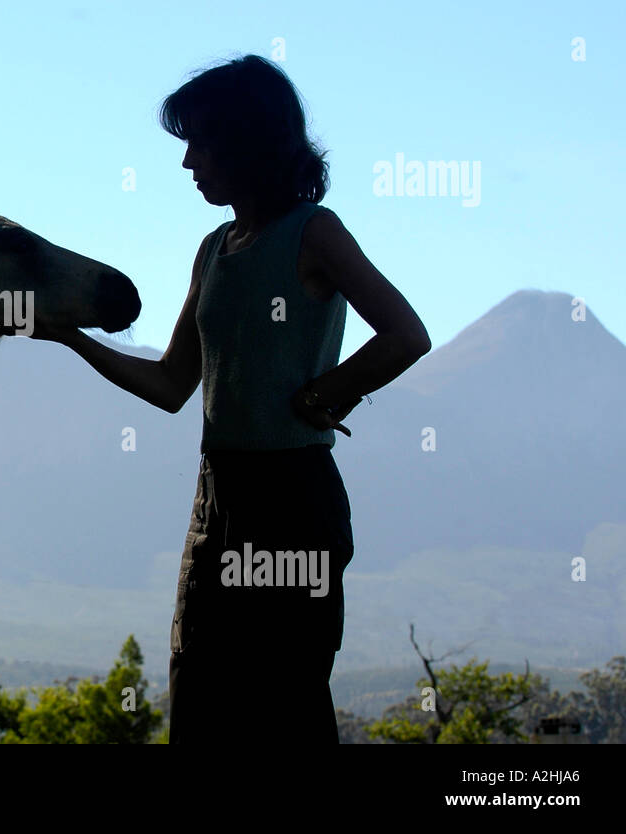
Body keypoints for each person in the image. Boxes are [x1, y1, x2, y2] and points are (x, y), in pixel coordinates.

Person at [35, 56, 431, 743]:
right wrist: (70, 338)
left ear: (251, 141)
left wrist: (327, 392)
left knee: (285, 704)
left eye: (202, 142)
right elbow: (169, 385)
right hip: (216, 502)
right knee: (201, 700)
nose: (189, 162)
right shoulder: (214, 249)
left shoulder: (315, 232)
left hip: (293, 502)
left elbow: (405, 334)